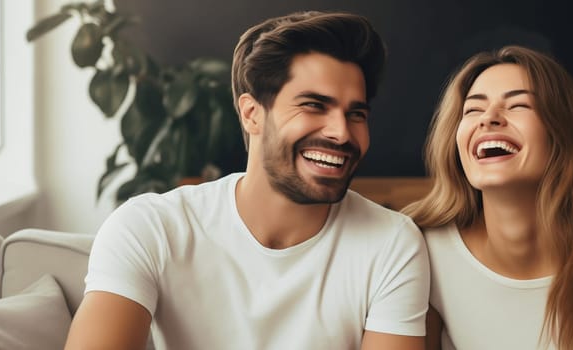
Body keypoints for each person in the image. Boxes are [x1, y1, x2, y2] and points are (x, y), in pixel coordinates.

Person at [65, 11, 430, 350]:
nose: (341, 132)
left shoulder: (391, 244)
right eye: (314, 105)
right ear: (252, 114)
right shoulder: (151, 227)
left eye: (356, 113)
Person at [402, 45, 573, 350]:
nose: (489, 119)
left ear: (563, 132)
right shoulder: (421, 246)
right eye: (473, 110)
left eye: (519, 105)